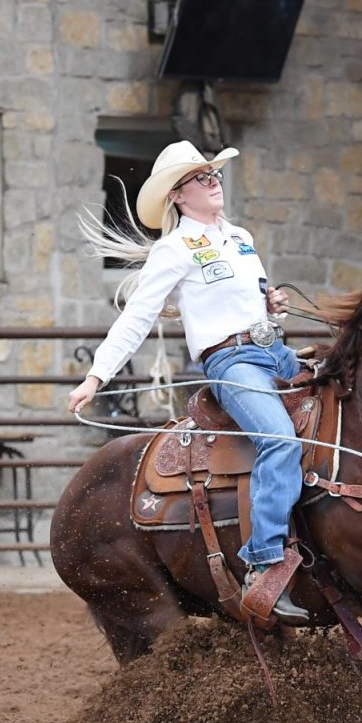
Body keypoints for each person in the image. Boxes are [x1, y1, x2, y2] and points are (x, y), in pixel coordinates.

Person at [66, 140, 310, 622]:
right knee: (279, 439)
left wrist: (270, 303)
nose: (213, 180)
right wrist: (96, 375)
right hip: (233, 363)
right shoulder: (174, 249)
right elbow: (136, 318)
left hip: (274, 351)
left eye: (214, 174)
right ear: (177, 195)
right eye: (201, 177)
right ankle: (263, 565)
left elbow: (243, 298)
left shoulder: (240, 237)